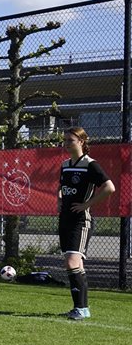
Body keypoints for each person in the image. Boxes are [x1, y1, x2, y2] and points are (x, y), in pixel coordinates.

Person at [58, 127, 115, 321]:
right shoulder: (65, 164)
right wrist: (60, 199)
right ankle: (82, 308)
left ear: (81, 142)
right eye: (65, 140)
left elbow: (109, 187)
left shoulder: (90, 165)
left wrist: (86, 205)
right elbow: (62, 187)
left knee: (72, 261)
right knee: (74, 263)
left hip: (81, 221)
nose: (66, 144)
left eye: (70, 140)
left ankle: (81, 308)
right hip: (65, 219)